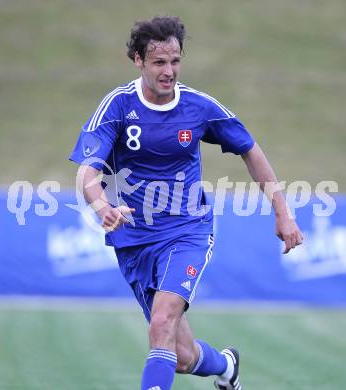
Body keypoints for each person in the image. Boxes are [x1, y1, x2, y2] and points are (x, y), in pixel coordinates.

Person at [70, 16, 303, 390]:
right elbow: (87, 171)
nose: (169, 71)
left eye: (175, 61)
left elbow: (250, 149)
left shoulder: (198, 107)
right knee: (181, 356)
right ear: (138, 61)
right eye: (159, 62)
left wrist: (282, 212)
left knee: (162, 321)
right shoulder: (117, 106)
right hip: (134, 239)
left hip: (187, 230)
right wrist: (101, 206)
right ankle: (226, 367)